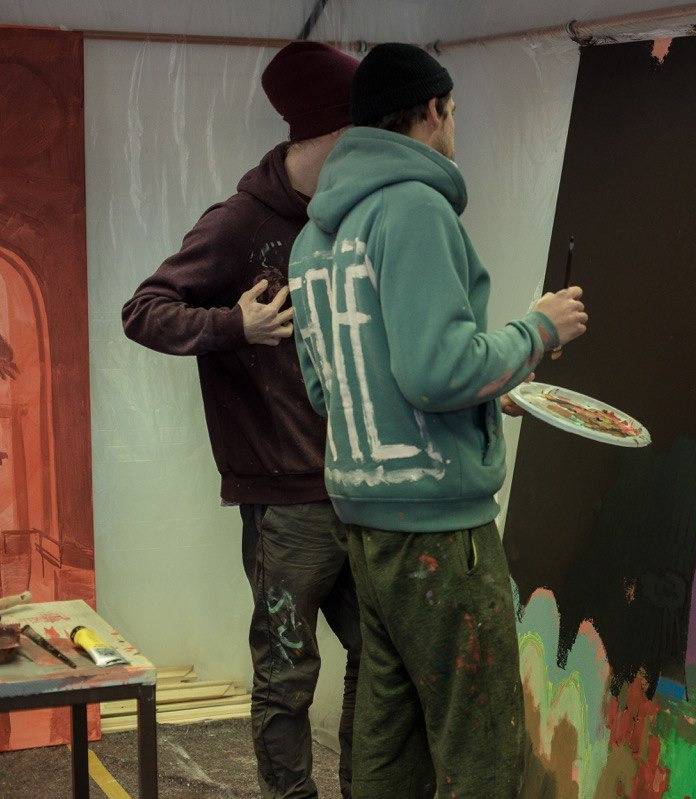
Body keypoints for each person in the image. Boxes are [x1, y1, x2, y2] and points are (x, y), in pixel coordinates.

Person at [287, 42, 588, 797]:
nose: (455, 130)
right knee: (479, 749)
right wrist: (537, 330)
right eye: (453, 114)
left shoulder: (312, 239)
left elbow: (331, 389)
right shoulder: (414, 207)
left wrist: (489, 389)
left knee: (389, 749)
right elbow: (435, 371)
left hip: (367, 526)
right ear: (432, 110)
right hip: (440, 534)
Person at [121, 41, 362, 799]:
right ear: (330, 135)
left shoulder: (351, 220)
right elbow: (144, 309)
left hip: (359, 489)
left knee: (383, 658)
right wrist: (234, 325)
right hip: (284, 505)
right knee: (287, 678)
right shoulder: (237, 223)